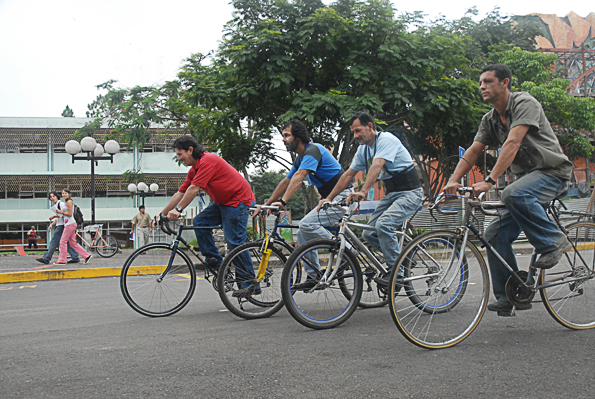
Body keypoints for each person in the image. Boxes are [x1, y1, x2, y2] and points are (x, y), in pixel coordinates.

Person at [444, 63, 573, 313]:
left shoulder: (524, 103)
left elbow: (513, 143)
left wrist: (489, 181)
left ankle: (553, 242)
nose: (482, 86)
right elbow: (473, 150)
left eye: (488, 81)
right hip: (527, 181)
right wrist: (453, 180)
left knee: (513, 193)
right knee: (494, 235)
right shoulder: (490, 119)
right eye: (480, 82)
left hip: (552, 172)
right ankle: (511, 295)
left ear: (505, 83)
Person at [318, 111, 424, 287]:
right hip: (392, 194)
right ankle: (400, 260)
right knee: (368, 232)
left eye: (358, 130)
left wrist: (363, 191)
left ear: (370, 127)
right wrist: (327, 198)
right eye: (353, 132)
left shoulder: (386, 140)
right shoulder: (363, 150)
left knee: (384, 224)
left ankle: (396, 272)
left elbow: (377, 165)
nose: (356, 136)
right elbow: (347, 175)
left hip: (411, 193)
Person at [263, 119, 353, 290]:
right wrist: (267, 204)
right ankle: (314, 275)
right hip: (330, 199)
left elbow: (300, 176)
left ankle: (349, 252)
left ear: (299, 137)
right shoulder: (301, 158)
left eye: (287, 135)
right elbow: (286, 181)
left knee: (307, 223)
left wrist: (283, 202)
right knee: (304, 232)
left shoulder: (313, 150)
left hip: (343, 197)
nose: (283, 139)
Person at [161, 136, 256, 297]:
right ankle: (216, 262)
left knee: (234, 242)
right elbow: (181, 192)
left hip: (238, 200)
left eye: (179, 154)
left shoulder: (208, 160)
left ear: (190, 150)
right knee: (199, 222)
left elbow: (194, 189)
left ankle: (250, 283)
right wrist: (162, 214)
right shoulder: (194, 170)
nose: (178, 159)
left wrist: (178, 209)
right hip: (222, 203)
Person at [36, 191, 80, 265]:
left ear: (57, 196)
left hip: (62, 225)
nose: (52, 198)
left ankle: (46, 258)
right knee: (67, 243)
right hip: (62, 225)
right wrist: (52, 223)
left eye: (53, 196)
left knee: (54, 242)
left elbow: (65, 214)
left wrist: (54, 216)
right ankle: (75, 257)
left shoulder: (61, 204)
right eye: (50, 197)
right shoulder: (57, 205)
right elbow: (60, 216)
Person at [55, 189, 92, 265]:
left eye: (65, 193)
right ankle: (86, 255)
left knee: (62, 242)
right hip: (69, 224)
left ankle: (62, 260)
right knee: (72, 243)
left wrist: (61, 212)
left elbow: (69, 214)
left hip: (70, 224)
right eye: (63, 193)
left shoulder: (69, 202)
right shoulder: (67, 202)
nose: (64, 194)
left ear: (69, 194)